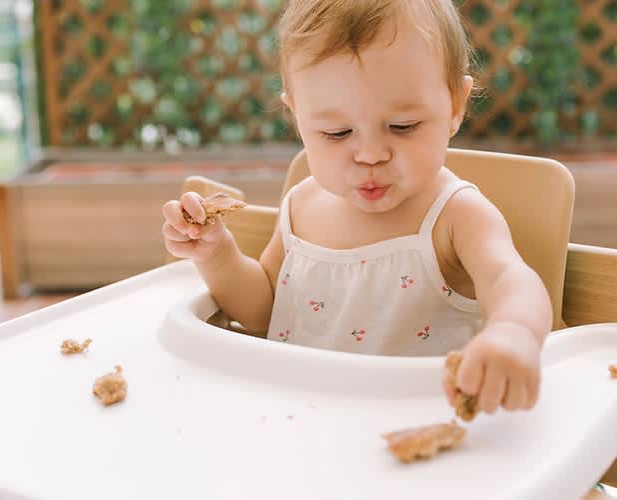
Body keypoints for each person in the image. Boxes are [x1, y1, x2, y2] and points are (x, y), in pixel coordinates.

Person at [160, 0, 552, 416]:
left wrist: (513, 330)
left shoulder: (455, 216)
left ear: (455, 105)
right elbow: (261, 312)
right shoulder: (302, 206)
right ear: (298, 118)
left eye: (403, 126)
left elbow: (510, 278)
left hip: (419, 438)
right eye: (336, 132)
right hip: (296, 424)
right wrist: (218, 255)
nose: (369, 154)